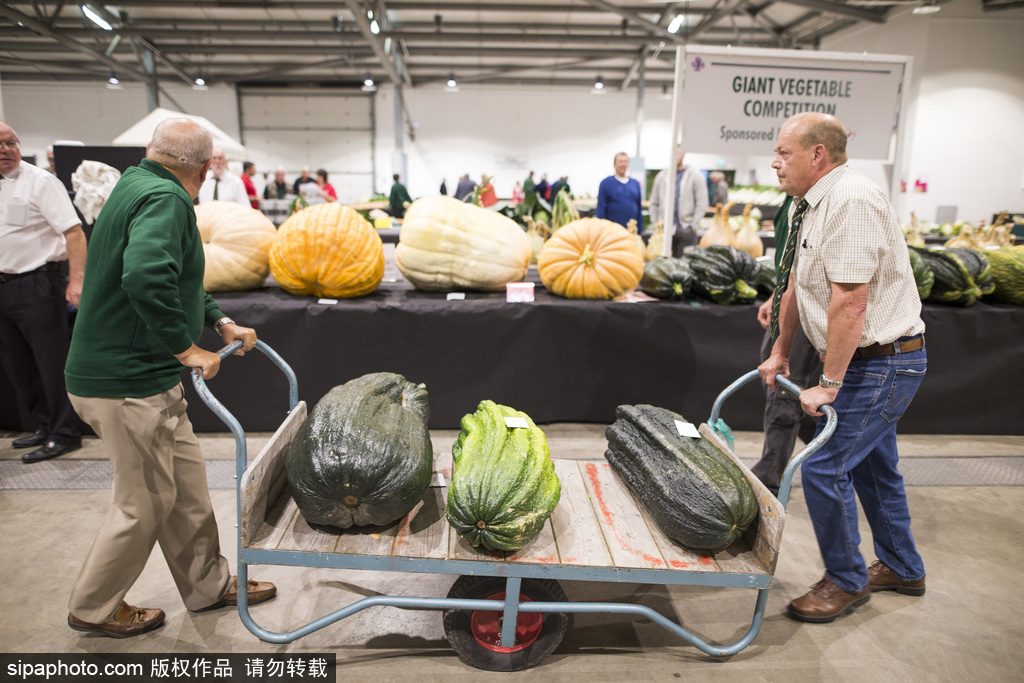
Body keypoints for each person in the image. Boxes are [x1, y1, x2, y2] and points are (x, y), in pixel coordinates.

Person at [63, 117, 276, 639]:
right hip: (126, 382)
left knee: (184, 488)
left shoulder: (136, 184)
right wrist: (188, 349)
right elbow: (143, 275)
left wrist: (219, 320)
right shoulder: (167, 200)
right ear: (205, 169)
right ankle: (93, 607)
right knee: (144, 503)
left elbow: (177, 277)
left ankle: (208, 585)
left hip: (142, 377)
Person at [758, 112, 927, 624]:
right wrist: (781, 351)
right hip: (868, 362)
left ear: (817, 156)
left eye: (784, 152)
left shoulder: (851, 200)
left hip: (885, 363)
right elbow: (795, 286)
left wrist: (829, 383)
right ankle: (903, 566)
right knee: (875, 470)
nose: (775, 161)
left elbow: (851, 302)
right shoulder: (812, 202)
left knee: (825, 467)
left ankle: (846, 580)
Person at [0, 122, 86, 463]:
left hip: (37, 284)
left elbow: (75, 233)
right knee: (20, 364)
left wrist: (76, 281)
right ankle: (45, 424)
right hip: (4, 286)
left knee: (51, 363)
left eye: (11, 142)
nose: (6, 150)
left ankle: (66, 432)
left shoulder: (40, 181)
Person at [752, 193, 822, 496]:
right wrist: (776, 297)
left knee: (785, 389)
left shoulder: (825, 203)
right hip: (791, 302)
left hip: (810, 310)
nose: (776, 163)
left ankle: (769, 477)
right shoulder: (791, 202)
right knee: (775, 379)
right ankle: (826, 449)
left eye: (785, 154)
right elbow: (791, 266)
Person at [648, 150, 708, 254]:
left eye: (678, 153)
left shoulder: (694, 176)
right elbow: (653, 202)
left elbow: (702, 203)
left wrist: (693, 225)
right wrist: (655, 222)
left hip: (686, 228)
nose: (675, 156)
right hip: (664, 230)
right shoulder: (661, 176)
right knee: (664, 264)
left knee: (685, 264)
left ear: (684, 154)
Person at [596, 152, 643, 230]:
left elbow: (638, 208)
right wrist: (602, 230)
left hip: (631, 230)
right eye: (620, 162)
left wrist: (640, 230)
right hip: (612, 231)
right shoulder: (606, 183)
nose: (623, 164)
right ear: (614, 165)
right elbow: (601, 209)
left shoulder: (635, 184)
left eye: (625, 162)